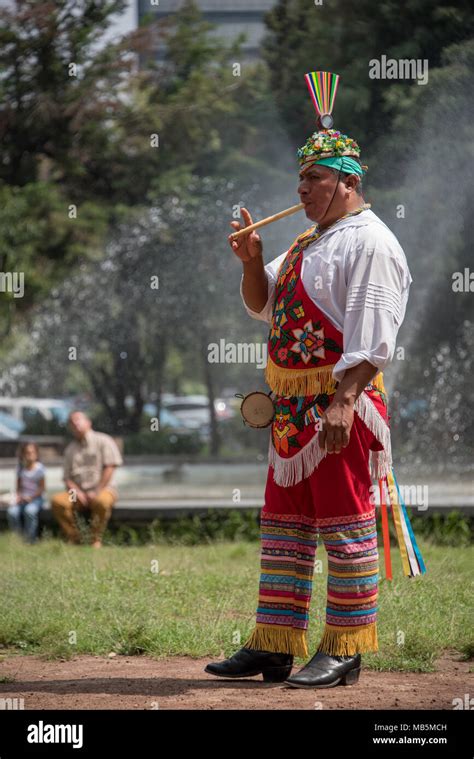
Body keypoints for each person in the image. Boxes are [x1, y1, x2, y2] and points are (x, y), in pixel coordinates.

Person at [205, 125, 419, 688]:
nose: (301, 188)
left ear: (348, 183)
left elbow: (376, 338)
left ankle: (344, 648)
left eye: (314, 178)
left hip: (339, 409)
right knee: (286, 526)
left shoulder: (370, 241)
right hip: (292, 412)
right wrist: (251, 261)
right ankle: (274, 643)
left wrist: (344, 401)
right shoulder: (307, 241)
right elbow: (262, 304)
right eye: (300, 177)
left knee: (345, 525)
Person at [51, 411, 123, 548]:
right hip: (78, 493)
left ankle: (95, 539)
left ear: (88, 422)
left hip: (103, 489)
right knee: (58, 501)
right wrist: (77, 492)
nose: (75, 424)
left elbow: (111, 467)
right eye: (72, 422)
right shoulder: (70, 449)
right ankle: (75, 537)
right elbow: (67, 478)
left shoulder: (104, 440)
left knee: (102, 502)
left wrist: (97, 490)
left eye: (78, 420)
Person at [7, 442, 45, 543]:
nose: (30, 455)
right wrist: (19, 497)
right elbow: (18, 487)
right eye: (27, 453)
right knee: (12, 512)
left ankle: (31, 539)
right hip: (22, 498)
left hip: (36, 498)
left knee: (30, 511)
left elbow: (42, 488)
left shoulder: (40, 468)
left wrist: (31, 498)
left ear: (36, 454)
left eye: (32, 452)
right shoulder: (20, 468)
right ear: (23, 454)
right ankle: (17, 538)